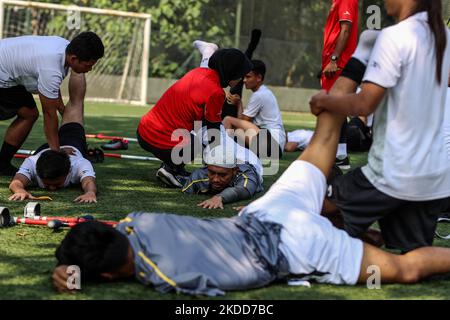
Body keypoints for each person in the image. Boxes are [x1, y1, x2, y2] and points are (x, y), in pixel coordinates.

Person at [51, 78, 450, 296]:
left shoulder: (166, 277)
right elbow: (103, 233)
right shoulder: (136, 222)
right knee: (324, 136)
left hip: (296, 249)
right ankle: (358, 61)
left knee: (405, 269)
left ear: (106, 277)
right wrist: (77, 263)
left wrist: (75, 274)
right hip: (268, 212)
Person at [310, 0, 450, 253]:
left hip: (393, 172)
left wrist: (324, 99)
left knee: (313, 206)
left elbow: (365, 104)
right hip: (435, 179)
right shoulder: (445, 37)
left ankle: (361, 242)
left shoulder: (394, 37)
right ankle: (370, 240)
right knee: (415, 257)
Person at [137, 49, 252, 188]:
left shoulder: (197, 72)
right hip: (159, 139)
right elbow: (212, 131)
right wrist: (221, 163)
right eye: (241, 74)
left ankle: (174, 166)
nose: (243, 79)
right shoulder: (216, 92)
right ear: (231, 72)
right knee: (196, 144)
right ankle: (170, 170)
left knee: (195, 134)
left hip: (143, 131)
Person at [0, 32, 104, 176]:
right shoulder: (51, 67)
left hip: (6, 69)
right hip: (2, 73)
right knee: (29, 115)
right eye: (89, 65)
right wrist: (57, 152)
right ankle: (2, 164)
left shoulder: (64, 47)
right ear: (74, 59)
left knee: (29, 113)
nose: (90, 69)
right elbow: (49, 114)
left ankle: (2, 163)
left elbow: (52, 89)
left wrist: (62, 110)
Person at [8, 72, 98, 204]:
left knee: (76, 103)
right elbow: (16, 182)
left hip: (72, 142)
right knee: (68, 111)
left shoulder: (78, 164)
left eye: (56, 184)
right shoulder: (32, 162)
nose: (51, 188)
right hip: (46, 148)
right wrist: (19, 190)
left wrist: (90, 192)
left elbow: (89, 181)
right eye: (47, 184)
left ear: (69, 172)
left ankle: (76, 70)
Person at [321, 0, 359, 170]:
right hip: (334, 62)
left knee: (334, 107)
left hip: (338, 63)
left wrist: (334, 60)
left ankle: (337, 154)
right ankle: (339, 155)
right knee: (336, 108)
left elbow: (345, 30)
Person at [222, 60, 286, 160]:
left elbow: (242, 121)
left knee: (228, 120)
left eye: (248, 77)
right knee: (236, 132)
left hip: (272, 143)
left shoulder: (259, 95)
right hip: (275, 147)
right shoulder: (264, 92)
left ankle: (225, 154)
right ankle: (232, 153)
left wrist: (239, 104)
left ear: (259, 78)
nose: (244, 80)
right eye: (244, 76)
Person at [181, 133, 264, 210]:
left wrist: (219, 197)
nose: (215, 179)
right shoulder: (199, 175)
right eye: (212, 173)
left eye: (222, 175)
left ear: (235, 171)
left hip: (249, 158)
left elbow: (244, 189)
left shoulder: (247, 173)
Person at [285, 115, 373, 153]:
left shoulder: (292, 136)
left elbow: (290, 147)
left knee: (357, 125)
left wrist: (283, 147)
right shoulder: (292, 134)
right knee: (359, 134)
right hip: (333, 138)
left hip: (333, 137)